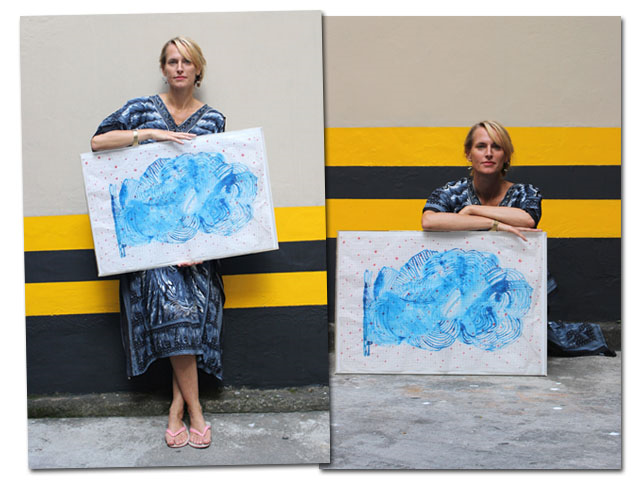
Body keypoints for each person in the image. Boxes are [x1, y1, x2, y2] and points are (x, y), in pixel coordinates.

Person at [91, 37, 225, 449]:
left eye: (186, 61)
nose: (179, 67)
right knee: (175, 314)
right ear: (163, 68)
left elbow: (212, 184)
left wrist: (198, 248)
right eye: (172, 61)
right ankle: (195, 411)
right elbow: (97, 143)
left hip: (195, 246)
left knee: (191, 318)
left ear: (198, 69)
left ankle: (175, 409)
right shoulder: (140, 110)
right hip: (151, 245)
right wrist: (147, 134)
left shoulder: (213, 120)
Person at [421, 120, 542, 241]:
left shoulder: (525, 192)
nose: (489, 153)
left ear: (506, 156)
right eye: (481, 146)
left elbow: (528, 220)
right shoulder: (453, 193)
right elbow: (428, 221)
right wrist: (494, 224)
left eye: (496, 147)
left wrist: (471, 209)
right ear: (468, 154)